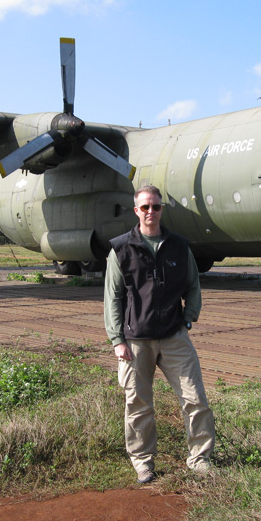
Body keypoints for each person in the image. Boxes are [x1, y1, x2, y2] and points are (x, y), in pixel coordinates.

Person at [104, 185, 215, 484]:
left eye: (155, 206)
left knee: (196, 399)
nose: (150, 212)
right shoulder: (121, 249)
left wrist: (188, 319)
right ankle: (143, 463)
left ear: (161, 209)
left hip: (173, 335)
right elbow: (112, 298)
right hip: (135, 340)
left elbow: (193, 285)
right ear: (136, 211)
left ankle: (200, 459)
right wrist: (117, 340)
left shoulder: (179, 246)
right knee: (138, 404)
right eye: (144, 207)